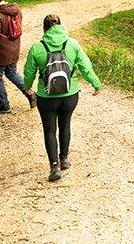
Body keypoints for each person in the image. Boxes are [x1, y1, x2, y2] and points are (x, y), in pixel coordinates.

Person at [23, 14, 102, 182]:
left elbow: (29, 72)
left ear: (44, 28)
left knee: (49, 130)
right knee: (65, 125)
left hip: (46, 96)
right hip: (70, 94)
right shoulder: (72, 44)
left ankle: (54, 167)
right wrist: (96, 84)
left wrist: (27, 87)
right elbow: (86, 66)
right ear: (61, 26)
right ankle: (64, 159)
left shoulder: (37, 47)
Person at [0, 0, 36, 114]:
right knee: (12, 73)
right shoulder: (17, 10)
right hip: (14, 49)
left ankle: (4, 105)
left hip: (1, 52)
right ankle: (31, 93)